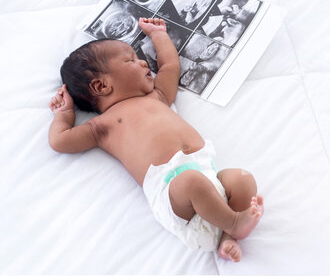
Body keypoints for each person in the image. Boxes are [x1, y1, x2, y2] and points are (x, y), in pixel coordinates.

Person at [48, 17, 263, 262]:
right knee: (192, 182)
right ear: (101, 85)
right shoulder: (102, 126)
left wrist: (159, 35)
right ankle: (234, 222)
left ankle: (226, 237)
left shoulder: (157, 96)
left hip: (209, 179)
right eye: (130, 60)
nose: (142, 62)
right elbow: (61, 140)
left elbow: (170, 66)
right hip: (174, 196)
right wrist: (64, 114)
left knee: (242, 178)